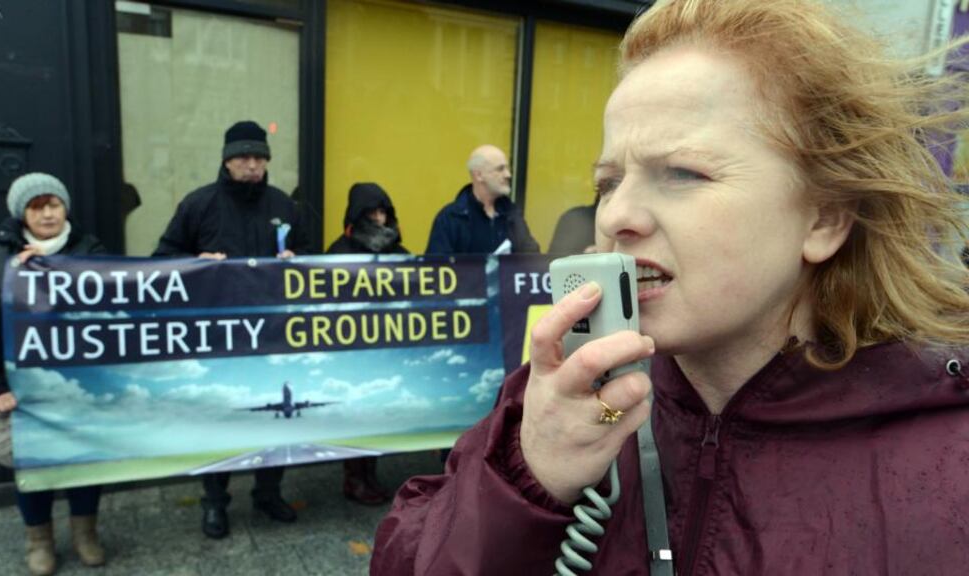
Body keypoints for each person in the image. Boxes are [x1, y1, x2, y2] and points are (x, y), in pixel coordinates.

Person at [372, 0, 969, 574]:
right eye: (608, 182)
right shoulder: (559, 401)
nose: (614, 216)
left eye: (682, 172)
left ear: (824, 218)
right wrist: (524, 479)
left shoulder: (945, 462)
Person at [153, 120, 315, 539]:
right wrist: (197, 263)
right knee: (221, 420)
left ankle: (268, 491)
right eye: (244, 156)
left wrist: (300, 259)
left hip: (277, 335)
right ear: (227, 160)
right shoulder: (198, 204)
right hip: (218, 337)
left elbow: (317, 261)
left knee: (277, 423)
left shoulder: (285, 205)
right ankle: (215, 502)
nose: (252, 164)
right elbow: (163, 258)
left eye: (260, 157)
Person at [0, 173, 107, 576]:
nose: (47, 213)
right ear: (23, 213)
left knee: (86, 462)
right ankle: (38, 541)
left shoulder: (89, 250)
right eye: (37, 206)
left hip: (80, 382)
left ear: (65, 209)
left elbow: (121, 301)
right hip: (25, 385)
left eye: (54, 204)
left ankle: (85, 534)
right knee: (34, 464)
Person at [327, 182, 406, 505]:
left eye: (383, 211)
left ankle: (369, 473)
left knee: (377, 409)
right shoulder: (337, 253)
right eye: (371, 212)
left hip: (386, 347)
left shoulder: (399, 254)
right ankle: (354, 477)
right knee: (356, 412)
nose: (378, 218)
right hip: (352, 350)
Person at [425, 145, 540, 254]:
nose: (508, 175)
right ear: (479, 175)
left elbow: (531, 260)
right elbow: (436, 268)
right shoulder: (451, 218)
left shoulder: (511, 214)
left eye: (507, 168)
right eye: (500, 169)